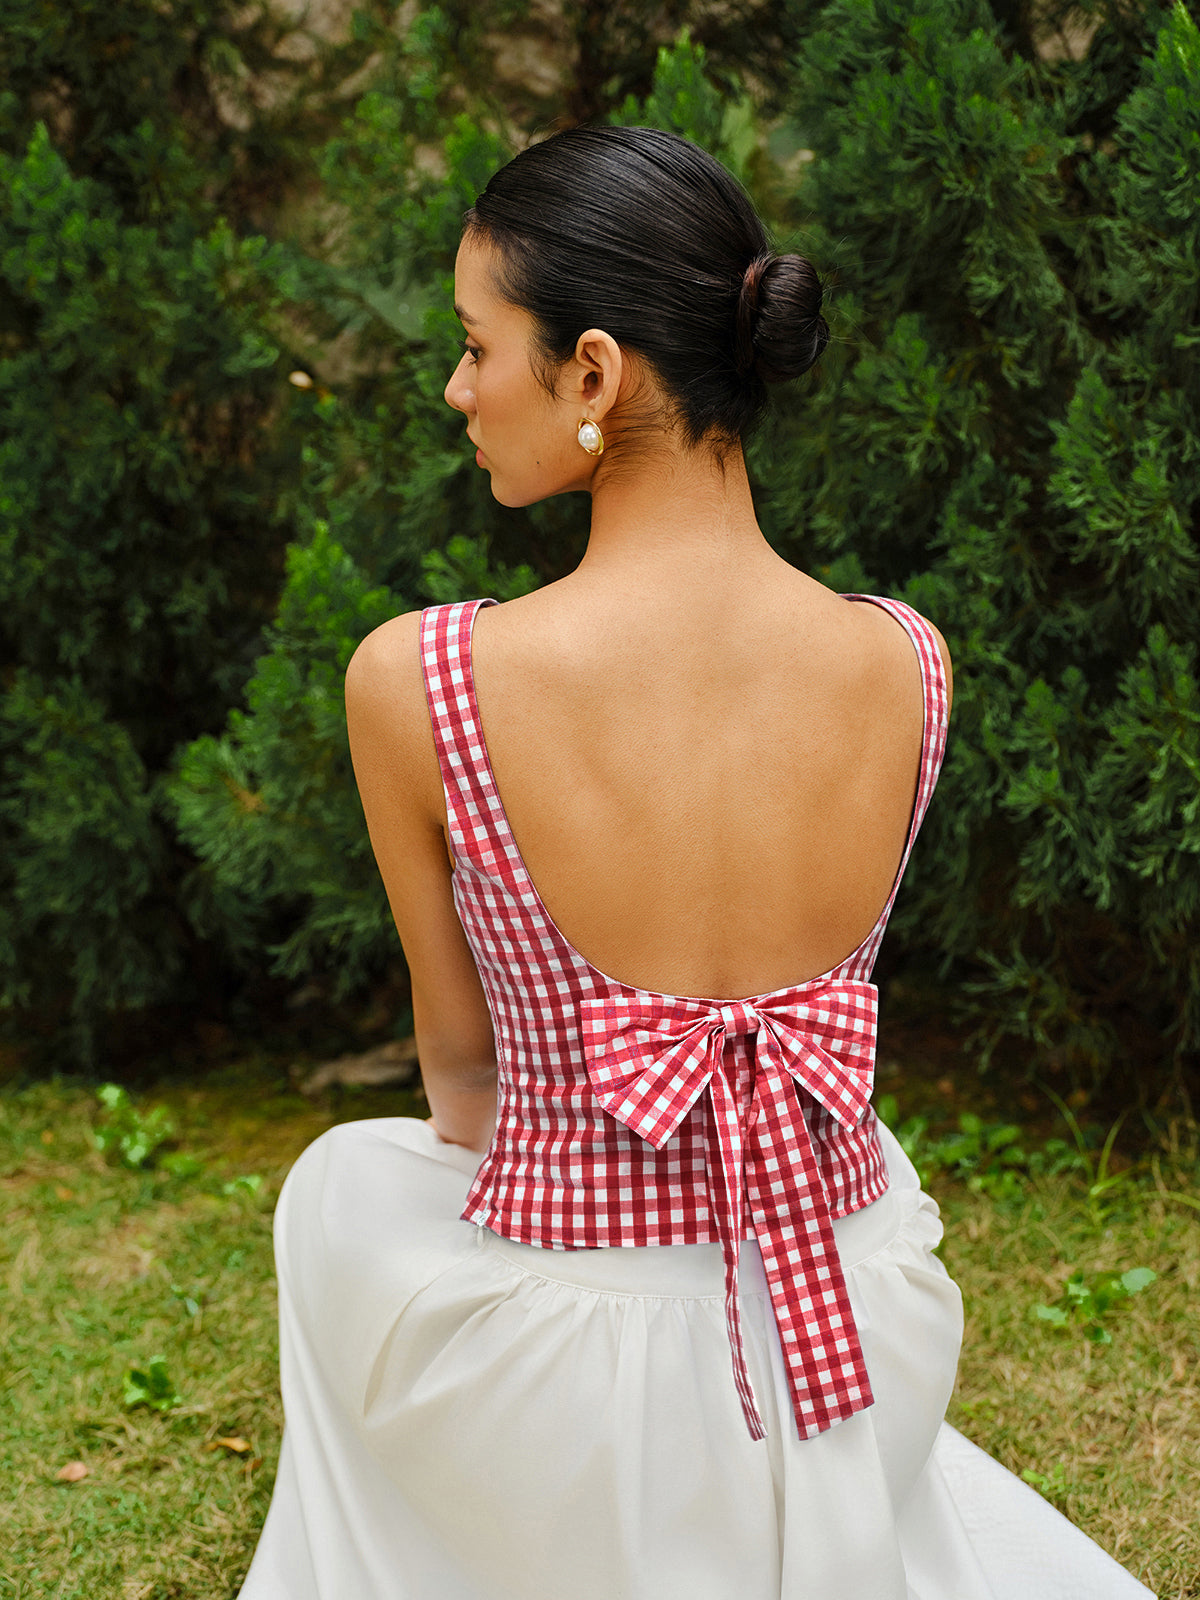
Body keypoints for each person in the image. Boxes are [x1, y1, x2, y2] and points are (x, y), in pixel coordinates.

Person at [238, 126, 1154, 1600]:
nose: (458, 390)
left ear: (593, 373)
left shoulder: (424, 682)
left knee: (341, 1199)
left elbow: (461, 1081)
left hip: (570, 1388)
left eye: (480, 348)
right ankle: (776, 1493)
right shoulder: (908, 664)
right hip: (853, 1313)